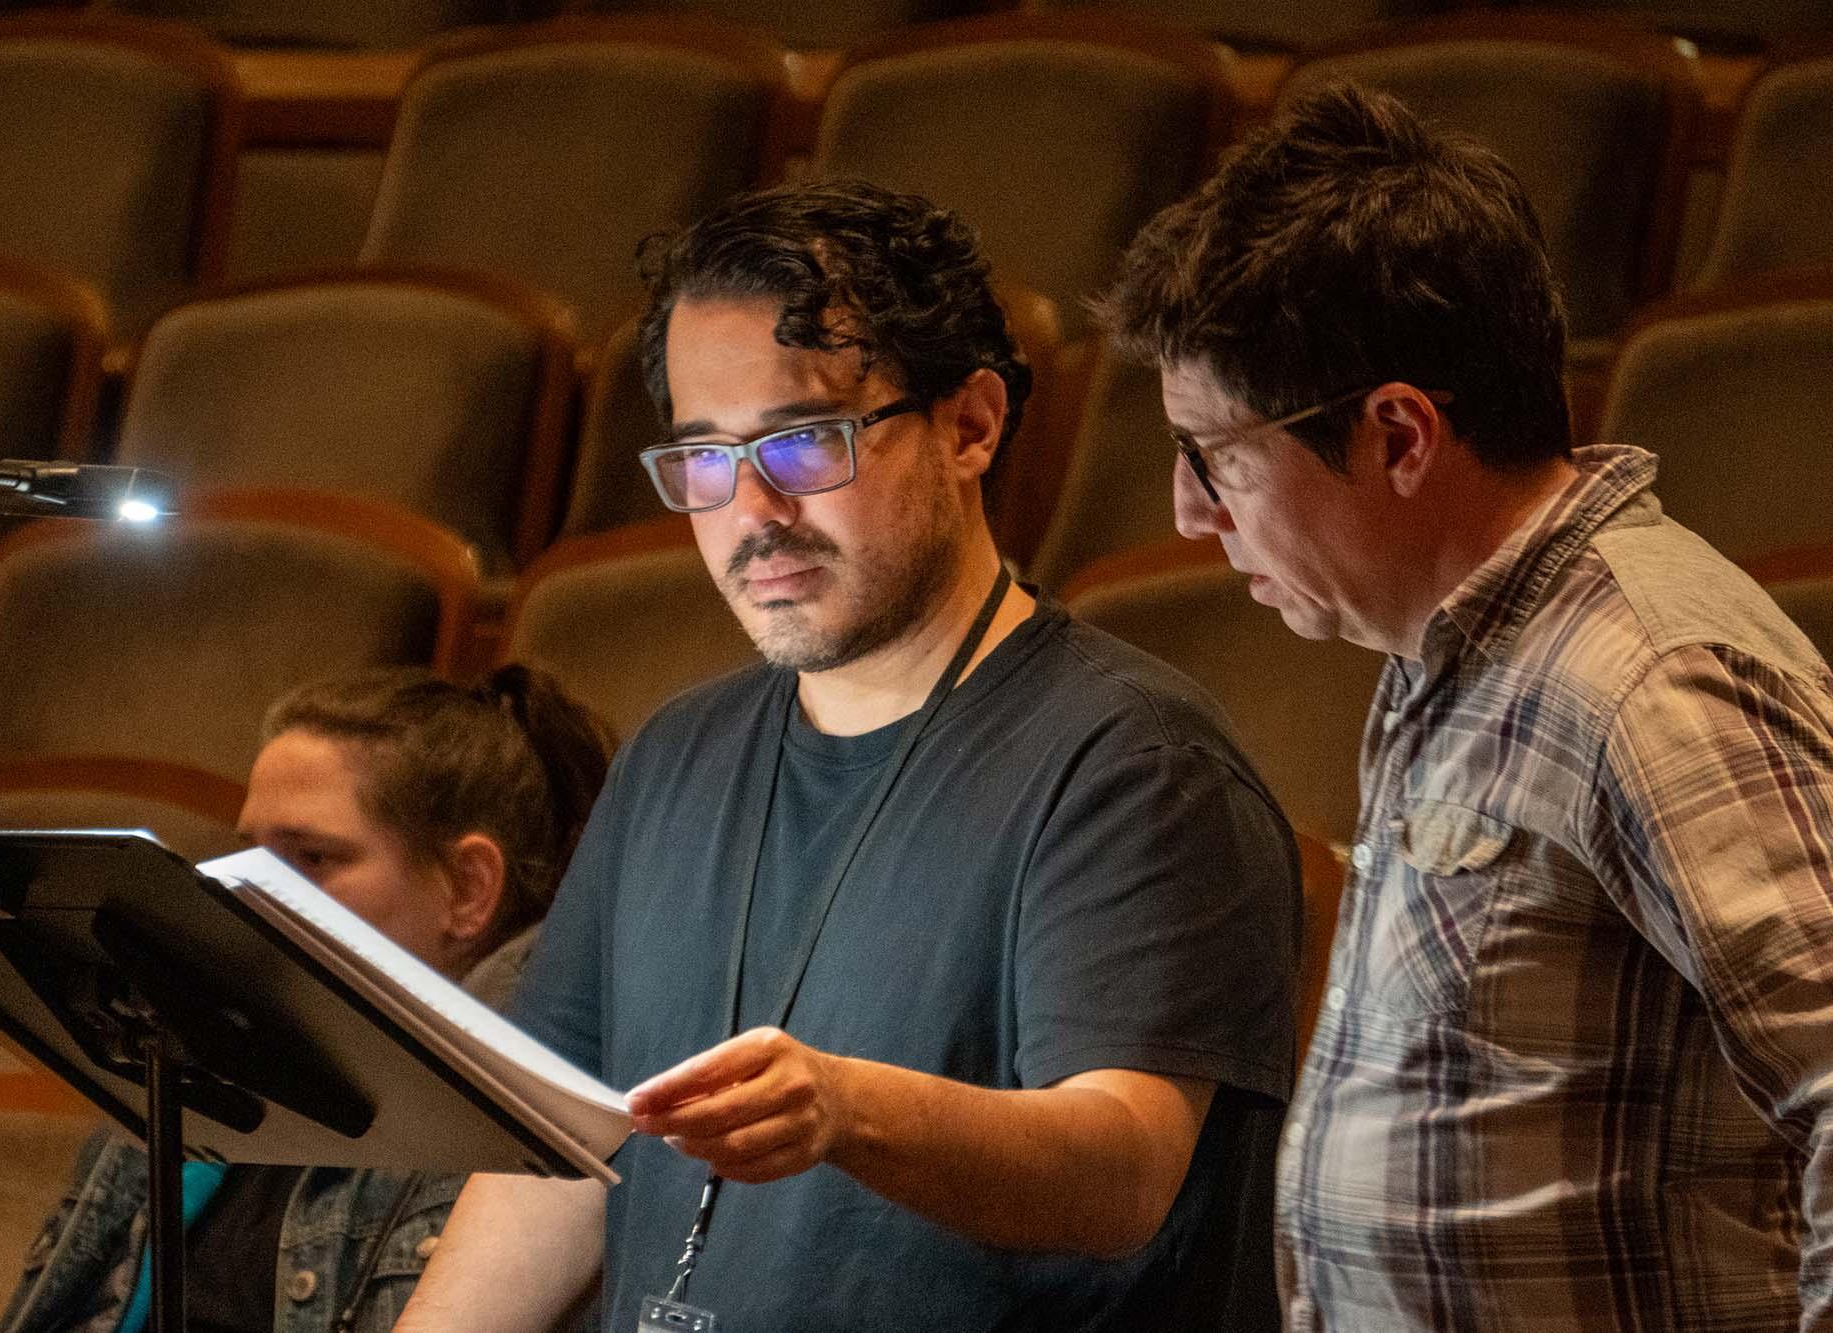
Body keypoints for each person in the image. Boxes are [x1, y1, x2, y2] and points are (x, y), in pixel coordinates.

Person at [395, 179, 1301, 1333]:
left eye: (800, 441)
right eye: (705, 460)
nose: (751, 510)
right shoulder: (677, 751)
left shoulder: (1134, 760)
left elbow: (1123, 1170)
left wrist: (843, 1108)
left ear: (970, 424)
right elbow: (564, 1158)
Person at [1100, 82, 1833, 1329]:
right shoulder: (1454, 647)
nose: (1186, 513)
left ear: (1397, 435)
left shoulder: (1645, 674)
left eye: (1214, 456)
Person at [0, 664, 616, 1333]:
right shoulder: (176, 1053)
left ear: (468, 888)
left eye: (311, 858)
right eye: (247, 854)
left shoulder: (540, 1122)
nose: (238, 894)